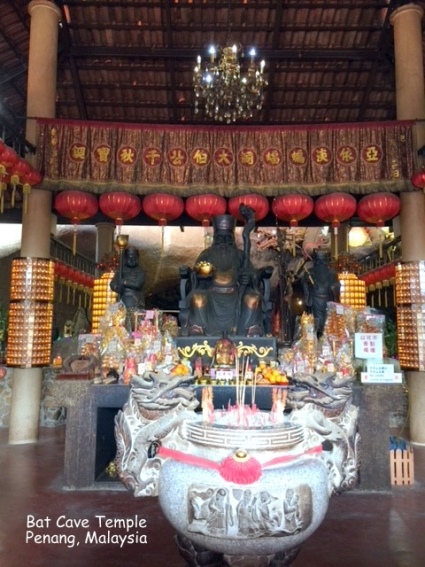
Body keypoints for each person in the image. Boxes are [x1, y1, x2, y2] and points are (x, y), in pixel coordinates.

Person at [180, 213, 272, 337]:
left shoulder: (240, 255)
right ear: (215, 238)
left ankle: (250, 329)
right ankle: (199, 328)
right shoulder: (207, 254)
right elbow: (196, 273)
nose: (223, 242)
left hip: (237, 293)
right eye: (220, 238)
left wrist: (249, 277)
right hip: (211, 293)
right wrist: (202, 275)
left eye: (227, 238)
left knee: (253, 298)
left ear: (233, 239)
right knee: (198, 298)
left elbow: (252, 272)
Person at [301, 248, 340, 336]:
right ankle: (315, 336)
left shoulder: (332, 273)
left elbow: (337, 286)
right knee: (315, 323)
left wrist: (334, 288)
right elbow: (304, 284)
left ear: (326, 260)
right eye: (319, 260)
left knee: (327, 324)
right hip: (314, 300)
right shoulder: (310, 272)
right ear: (315, 260)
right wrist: (307, 282)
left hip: (327, 299)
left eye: (323, 260)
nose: (321, 262)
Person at [110, 246, 146, 330]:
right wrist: (117, 286)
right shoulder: (121, 270)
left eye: (134, 257)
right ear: (126, 258)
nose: (132, 259)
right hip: (123, 301)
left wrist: (124, 282)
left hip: (136, 302)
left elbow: (137, 284)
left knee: (136, 328)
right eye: (130, 257)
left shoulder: (140, 271)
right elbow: (113, 283)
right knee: (123, 328)